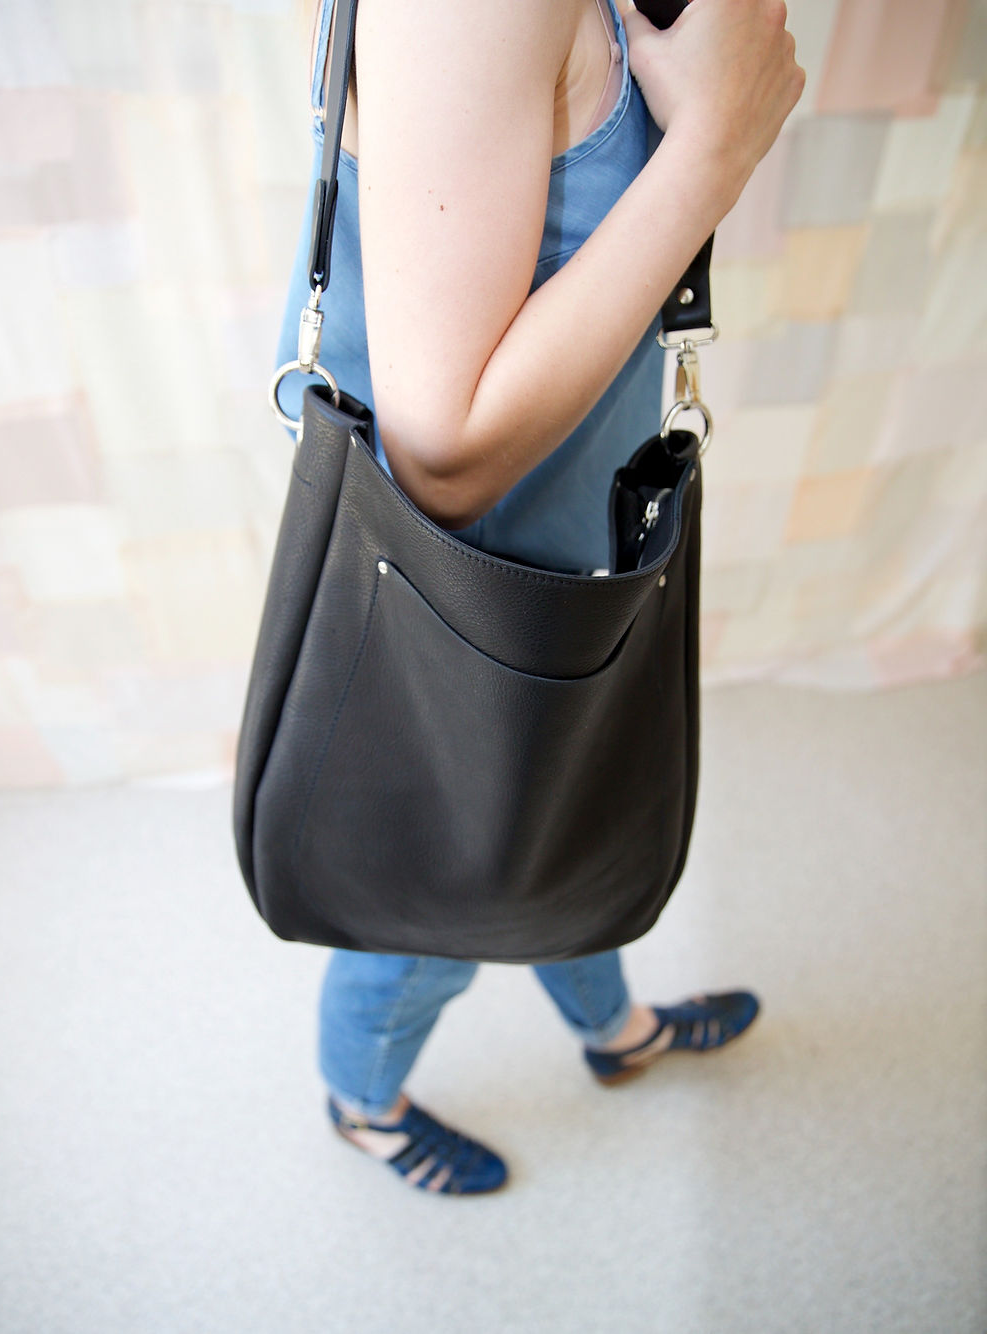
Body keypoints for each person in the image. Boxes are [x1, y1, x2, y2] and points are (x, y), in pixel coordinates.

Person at [273, 0, 805, 1195]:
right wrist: (713, 147)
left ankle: (613, 1033)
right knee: (431, 909)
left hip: (570, 558)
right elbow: (444, 447)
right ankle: (363, 1102)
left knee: (576, 823)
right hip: (476, 600)